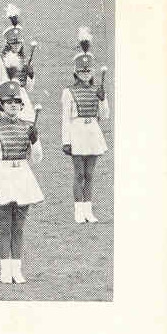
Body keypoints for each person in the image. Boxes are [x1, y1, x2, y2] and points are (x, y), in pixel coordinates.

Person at [0, 80, 44, 284]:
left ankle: (17, 269)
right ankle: (5, 269)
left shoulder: (28, 127)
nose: (13, 105)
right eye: (9, 102)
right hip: (1, 177)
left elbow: (37, 159)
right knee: (4, 226)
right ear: (1, 105)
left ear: (22, 105)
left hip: (23, 176)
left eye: (17, 102)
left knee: (19, 227)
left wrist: (34, 141)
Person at [61, 51, 110, 223]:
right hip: (77, 133)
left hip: (93, 133)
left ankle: (88, 211)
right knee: (79, 173)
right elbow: (65, 118)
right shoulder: (69, 91)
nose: (85, 74)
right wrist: (66, 141)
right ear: (76, 72)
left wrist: (103, 100)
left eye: (88, 71)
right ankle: (78, 211)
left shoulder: (98, 90)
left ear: (92, 72)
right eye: (82, 71)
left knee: (90, 174)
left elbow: (104, 116)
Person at [0, 4, 35, 121]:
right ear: (8, 43)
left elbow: (28, 88)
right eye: (13, 44)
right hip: (6, 100)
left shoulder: (24, 60)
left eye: (19, 43)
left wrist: (31, 75)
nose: (16, 46)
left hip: (22, 100)